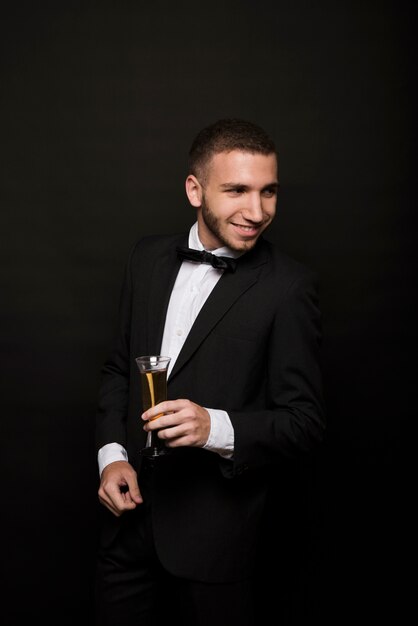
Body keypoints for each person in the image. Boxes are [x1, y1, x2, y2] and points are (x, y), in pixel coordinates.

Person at [94, 118, 326, 626]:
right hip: (127, 530)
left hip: (217, 543)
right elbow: (118, 369)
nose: (257, 211)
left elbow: (305, 422)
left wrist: (213, 428)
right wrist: (111, 457)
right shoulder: (146, 258)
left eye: (269, 192)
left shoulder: (289, 288)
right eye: (238, 190)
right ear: (194, 190)